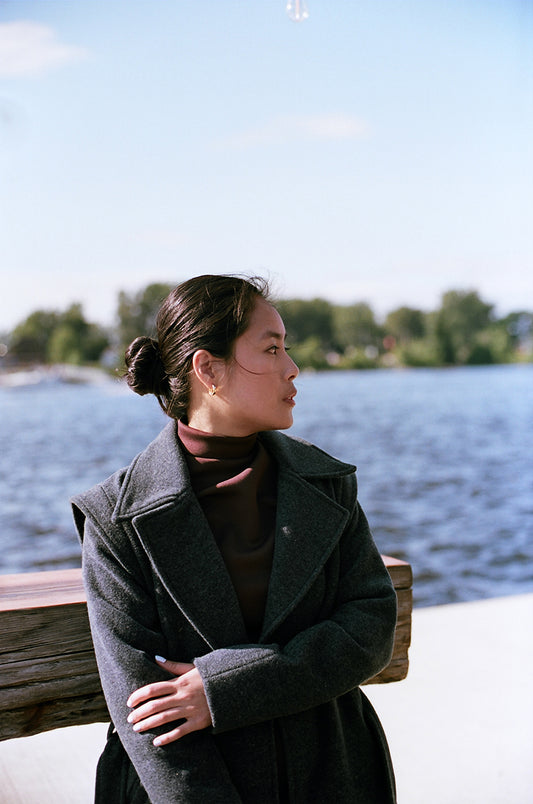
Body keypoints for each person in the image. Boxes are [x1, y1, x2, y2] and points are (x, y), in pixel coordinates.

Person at [72, 274, 398, 804]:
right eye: (271, 349)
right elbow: (148, 718)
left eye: (286, 348)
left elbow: (370, 626)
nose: (293, 368)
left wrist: (223, 690)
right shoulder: (115, 519)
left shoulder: (326, 483)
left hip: (335, 773)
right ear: (209, 370)